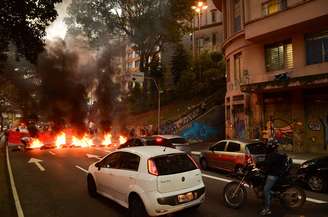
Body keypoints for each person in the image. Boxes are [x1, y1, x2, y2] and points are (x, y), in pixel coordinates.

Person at [258, 139, 288, 216]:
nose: (267, 146)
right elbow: (267, 163)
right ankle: (272, 194)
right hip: (276, 173)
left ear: (272, 146)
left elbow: (267, 164)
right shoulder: (275, 154)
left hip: (273, 175)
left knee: (266, 190)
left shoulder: (273, 155)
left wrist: (258, 164)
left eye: (269, 145)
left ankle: (267, 209)